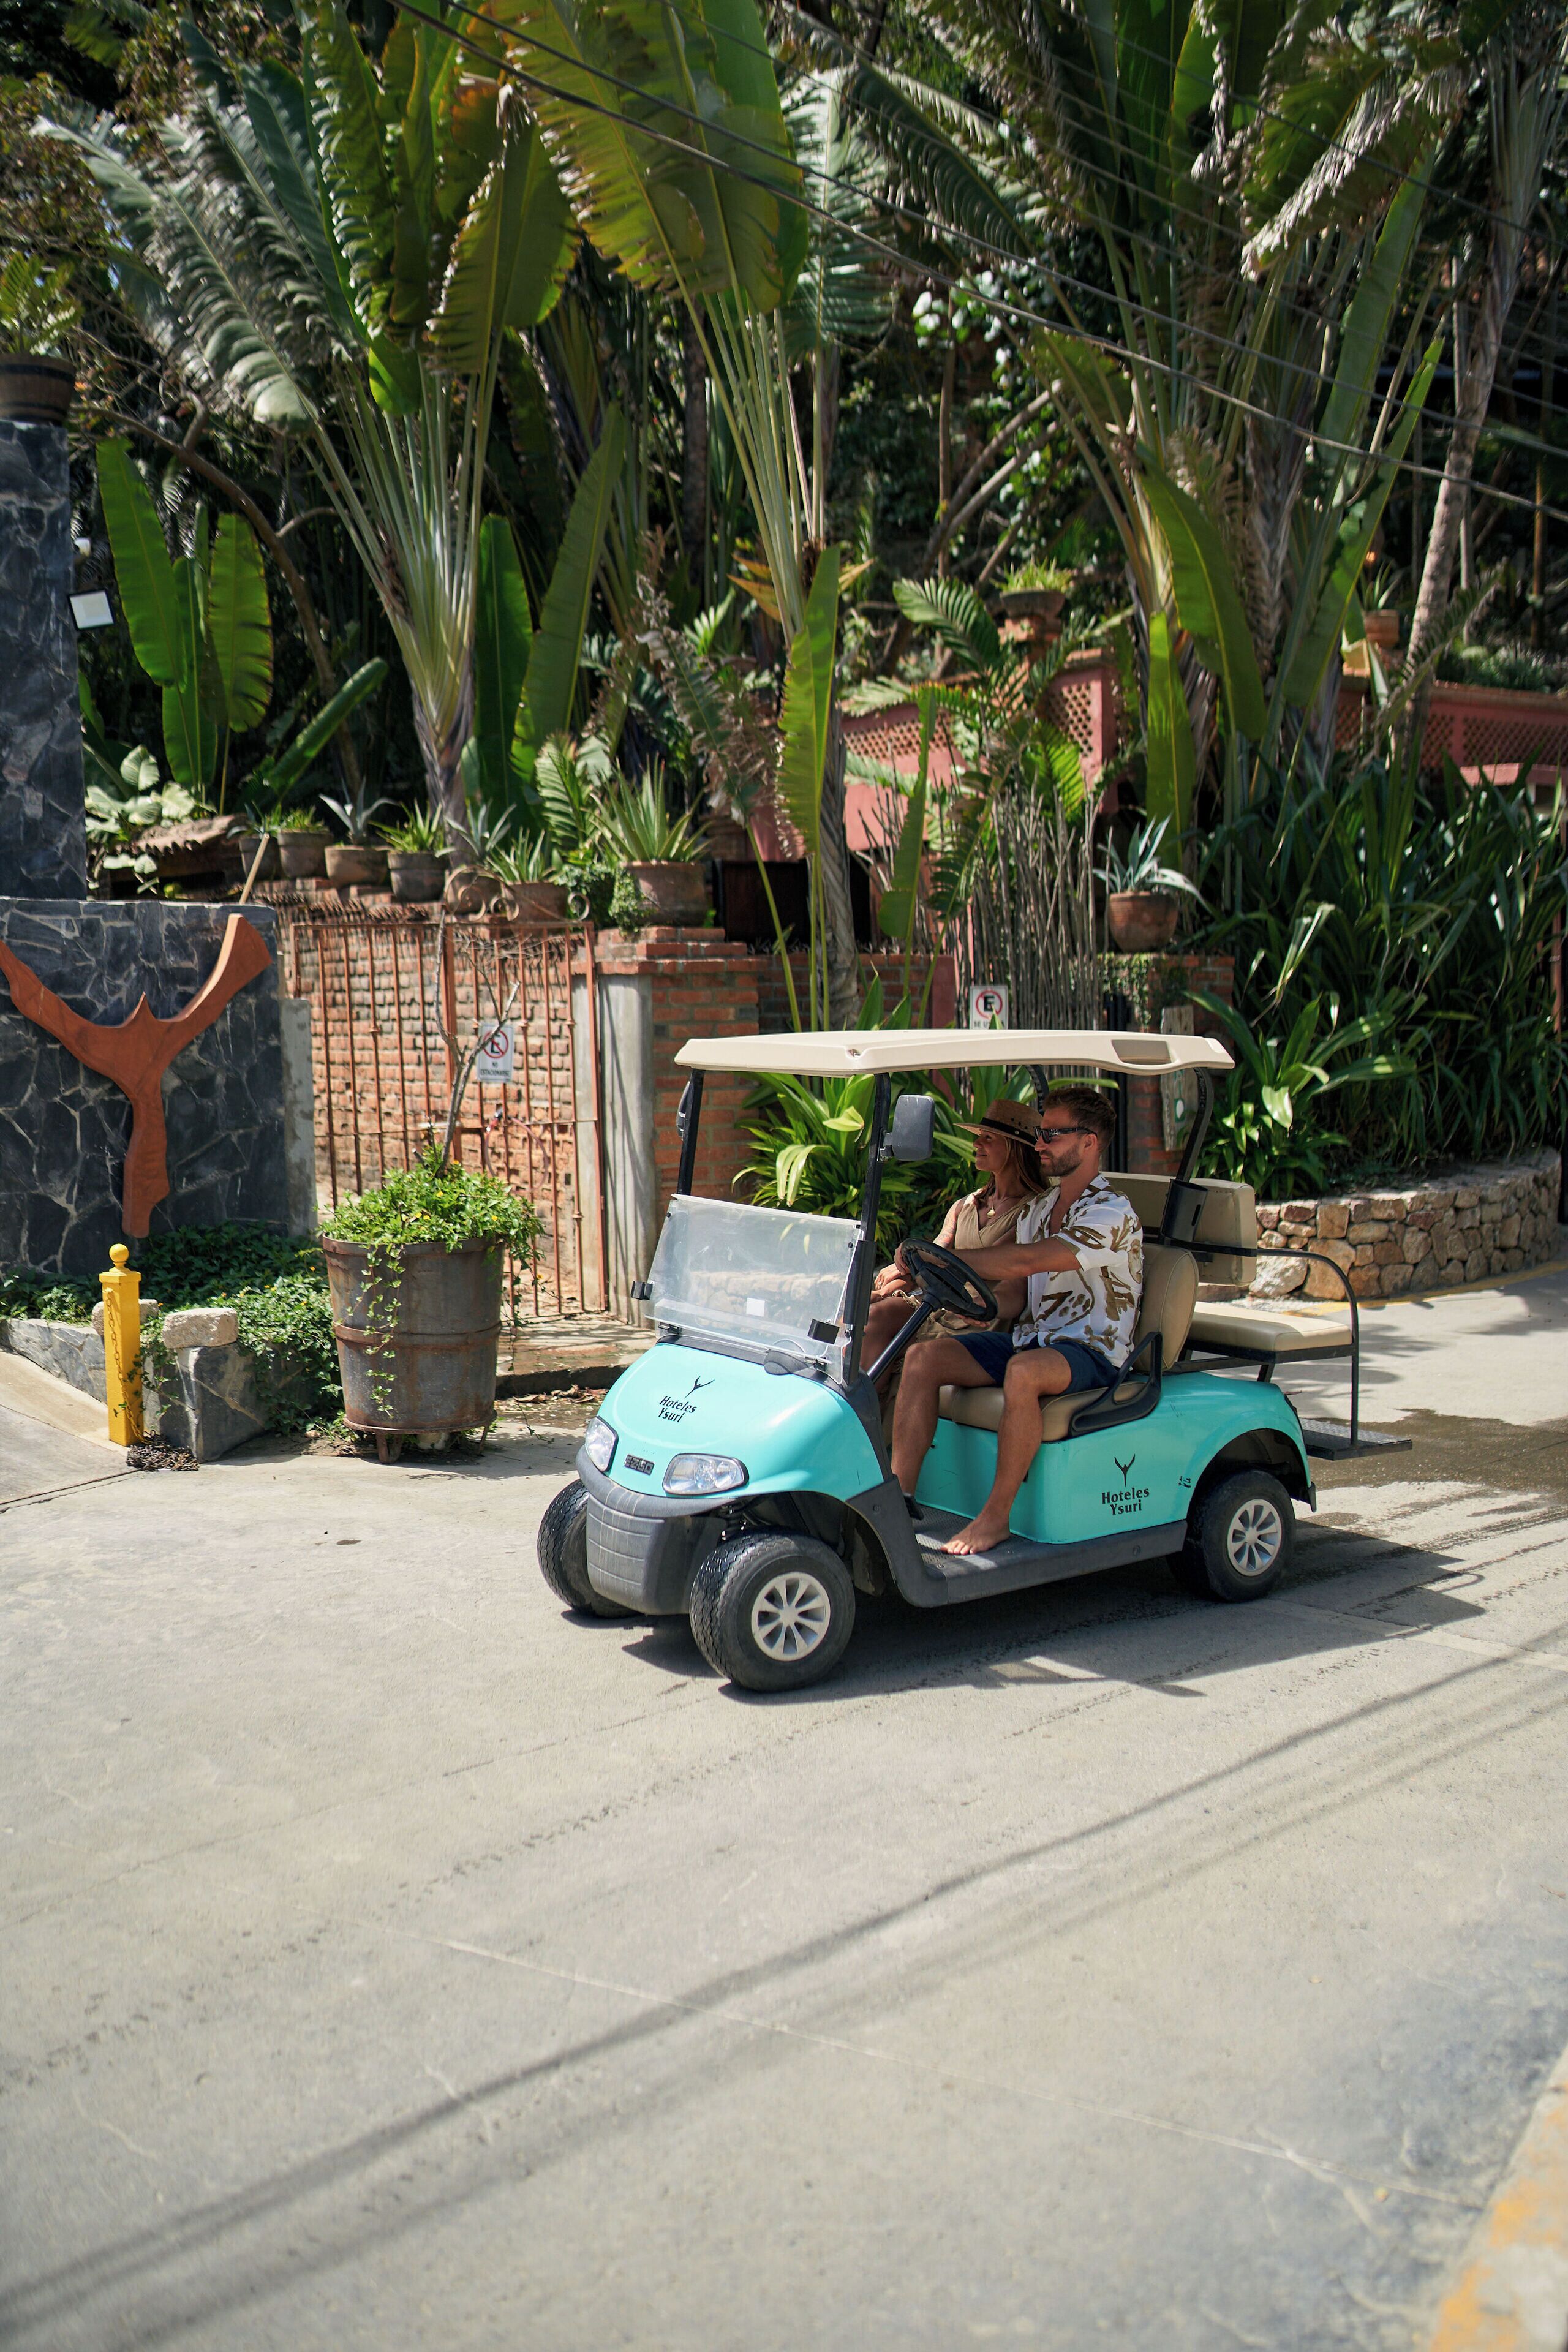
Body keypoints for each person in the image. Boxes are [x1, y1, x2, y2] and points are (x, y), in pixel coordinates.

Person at [889, 1085, 1143, 1556]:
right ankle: (898, 1500)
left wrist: (949, 1259)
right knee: (924, 1357)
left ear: (1089, 1142)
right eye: (1041, 1133)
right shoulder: (1042, 1208)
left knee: (1023, 1372)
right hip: (1036, 1338)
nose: (1040, 1143)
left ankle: (996, 1518)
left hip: (1094, 1350)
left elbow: (1029, 1262)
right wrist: (952, 1291)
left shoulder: (1112, 1213)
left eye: (1052, 1134)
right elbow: (1014, 1297)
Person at [860, 1097, 1047, 1376]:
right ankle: (862, 1414)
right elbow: (935, 1254)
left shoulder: (1032, 1212)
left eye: (988, 1138)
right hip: (938, 1307)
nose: (976, 1144)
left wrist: (919, 1262)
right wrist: (896, 1276)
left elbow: (985, 1263)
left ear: (1014, 1147)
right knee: (873, 1317)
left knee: (897, 1343)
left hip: (978, 1317)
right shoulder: (967, 1205)